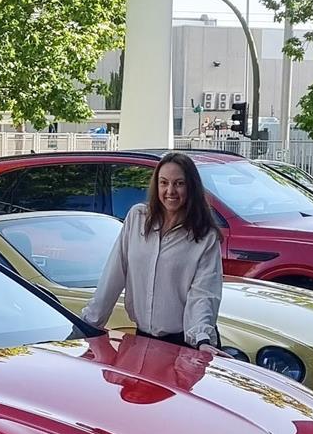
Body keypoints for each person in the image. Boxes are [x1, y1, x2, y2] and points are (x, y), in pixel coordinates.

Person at [82, 151, 223, 354]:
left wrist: (202, 340)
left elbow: (203, 294)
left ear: (191, 186)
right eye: (164, 182)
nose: (170, 191)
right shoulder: (137, 218)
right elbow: (113, 275)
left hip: (185, 346)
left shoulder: (205, 236)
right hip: (142, 343)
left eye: (179, 183)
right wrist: (88, 324)